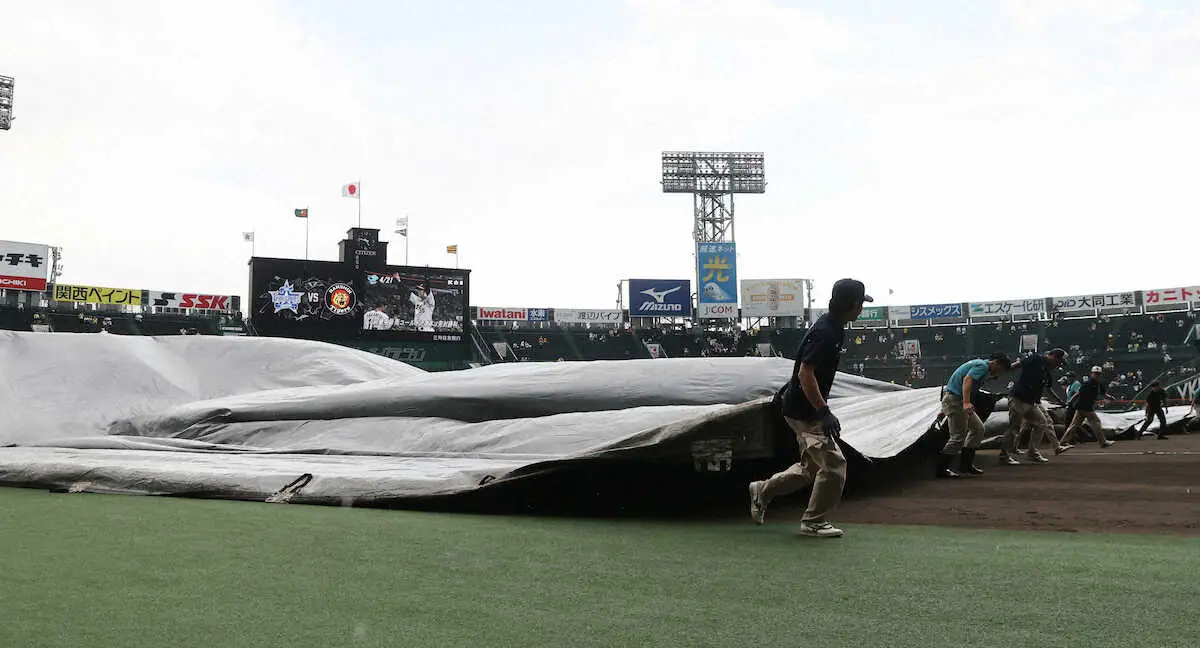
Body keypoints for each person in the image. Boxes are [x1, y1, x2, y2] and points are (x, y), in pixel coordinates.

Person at [748, 278, 871, 538]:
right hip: (806, 411)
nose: (861, 309)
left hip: (799, 407)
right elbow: (806, 373)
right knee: (834, 464)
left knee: (811, 469)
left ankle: (763, 490)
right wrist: (823, 411)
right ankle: (813, 521)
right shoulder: (826, 331)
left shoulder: (834, 328)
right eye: (860, 304)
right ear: (850, 305)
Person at [937, 352, 1015, 477]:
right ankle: (941, 470)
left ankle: (965, 465)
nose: (1000, 372)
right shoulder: (982, 366)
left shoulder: (980, 366)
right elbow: (967, 380)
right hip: (956, 401)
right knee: (957, 437)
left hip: (956, 400)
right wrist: (967, 402)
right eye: (1000, 369)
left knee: (978, 429)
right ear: (995, 363)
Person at [1004, 348, 1072, 464]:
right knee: (1014, 428)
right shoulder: (1036, 359)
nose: (1058, 365)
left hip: (1031, 402)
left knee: (1042, 423)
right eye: (1059, 362)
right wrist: (1000, 371)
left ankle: (1032, 452)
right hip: (1018, 398)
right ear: (1053, 356)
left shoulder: (1046, 372)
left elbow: (1048, 389)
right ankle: (1004, 455)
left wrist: (1060, 401)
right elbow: (1017, 365)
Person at [1061, 366, 1116, 448]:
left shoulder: (1099, 384)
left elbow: (1103, 394)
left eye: (1098, 374)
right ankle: (1103, 442)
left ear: (1100, 374)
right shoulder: (1088, 383)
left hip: (1085, 407)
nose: (1096, 375)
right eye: (1095, 373)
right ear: (1092, 374)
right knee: (1096, 422)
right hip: (1084, 406)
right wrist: (1070, 401)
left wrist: (1110, 397)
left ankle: (1063, 441)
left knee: (1074, 425)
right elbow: (1078, 393)